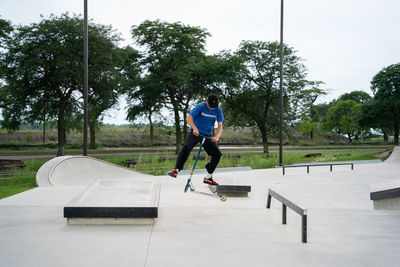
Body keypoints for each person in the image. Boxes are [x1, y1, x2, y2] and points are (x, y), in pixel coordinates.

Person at [168, 94, 224, 185]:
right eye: (210, 106)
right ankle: (176, 170)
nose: (212, 108)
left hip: (207, 135)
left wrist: (217, 136)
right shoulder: (200, 106)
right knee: (186, 148)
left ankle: (208, 177)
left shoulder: (218, 110)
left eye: (214, 106)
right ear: (207, 101)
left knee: (217, 154)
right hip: (195, 133)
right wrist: (194, 128)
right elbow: (188, 118)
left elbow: (220, 125)